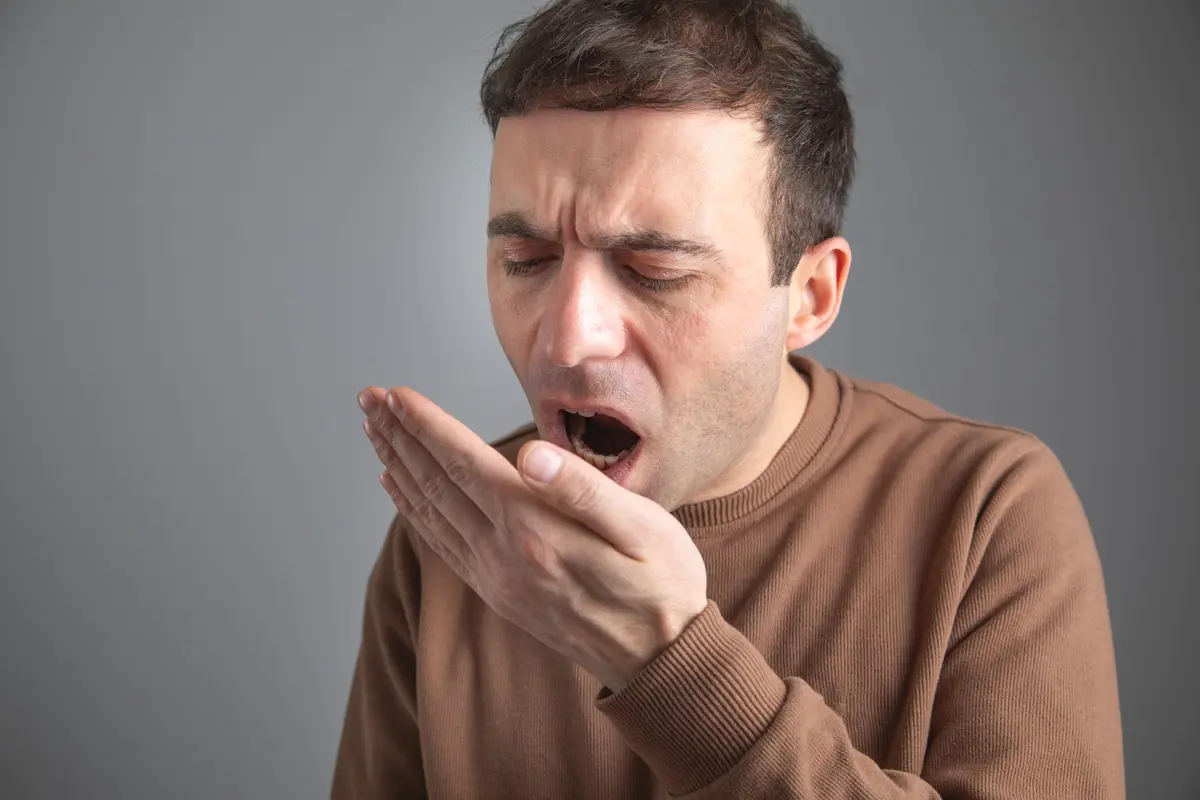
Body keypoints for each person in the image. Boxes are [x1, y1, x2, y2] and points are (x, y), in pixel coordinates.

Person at [331, 0, 1125, 797]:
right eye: (526, 259)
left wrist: (668, 661)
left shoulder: (988, 514)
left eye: (656, 272)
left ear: (810, 294)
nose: (568, 339)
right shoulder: (456, 537)